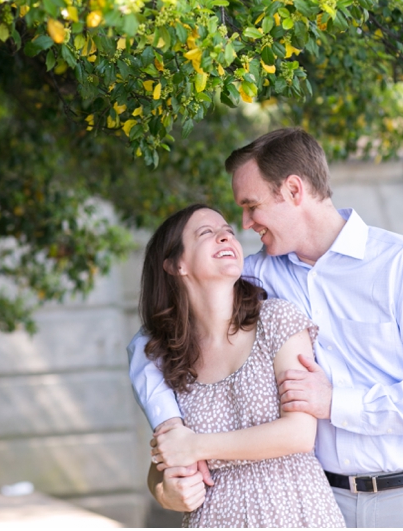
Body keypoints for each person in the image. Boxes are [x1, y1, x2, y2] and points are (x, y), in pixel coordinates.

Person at [129, 128, 403, 528]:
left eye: (251, 206)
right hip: (319, 503)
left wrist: (336, 403)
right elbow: (151, 342)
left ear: (293, 190)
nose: (245, 224)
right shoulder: (259, 274)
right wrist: (170, 427)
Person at [138, 203, 345, 527]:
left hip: (295, 516)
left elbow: (299, 433)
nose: (225, 238)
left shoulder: (277, 320)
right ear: (176, 264)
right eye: (207, 233)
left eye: (228, 233)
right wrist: (165, 492)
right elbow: (167, 453)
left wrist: (196, 446)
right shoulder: (165, 356)